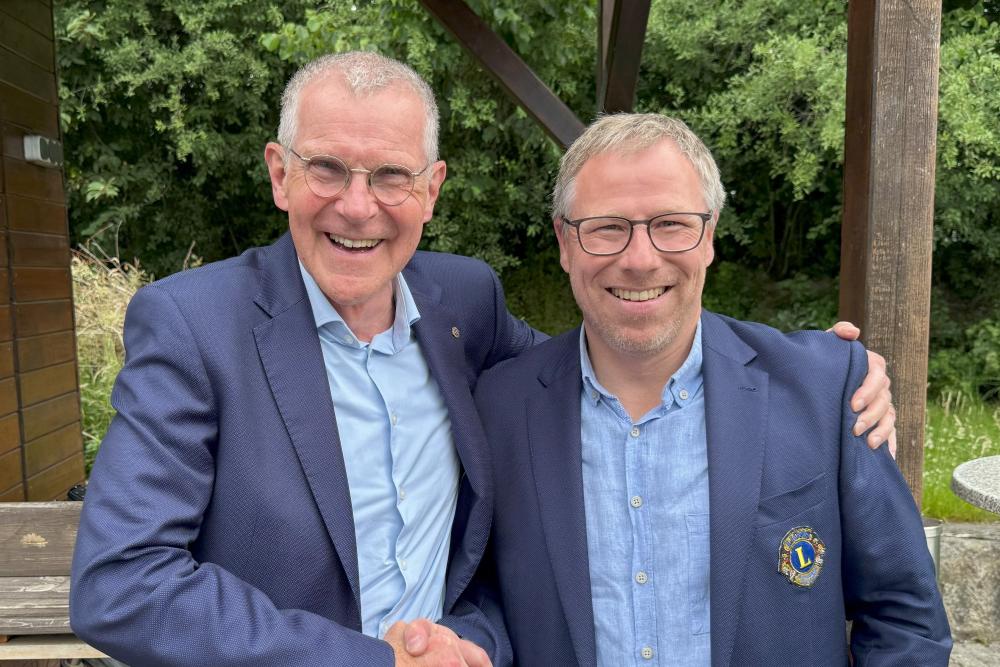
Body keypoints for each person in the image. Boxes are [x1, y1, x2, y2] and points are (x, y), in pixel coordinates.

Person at [69, 51, 895, 666]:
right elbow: (121, 583)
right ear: (280, 174)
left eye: (391, 175)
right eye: (326, 168)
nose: (357, 205)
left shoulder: (465, 305)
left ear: (431, 189)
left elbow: (616, 343)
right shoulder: (192, 325)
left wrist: (802, 372)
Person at [470, 113, 950, 666]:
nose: (640, 259)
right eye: (606, 227)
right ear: (564, 242)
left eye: (671, 224)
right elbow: (480, 596)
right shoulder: (501, 408)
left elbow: (905, 616)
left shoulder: (824, 388)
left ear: (710, 236)